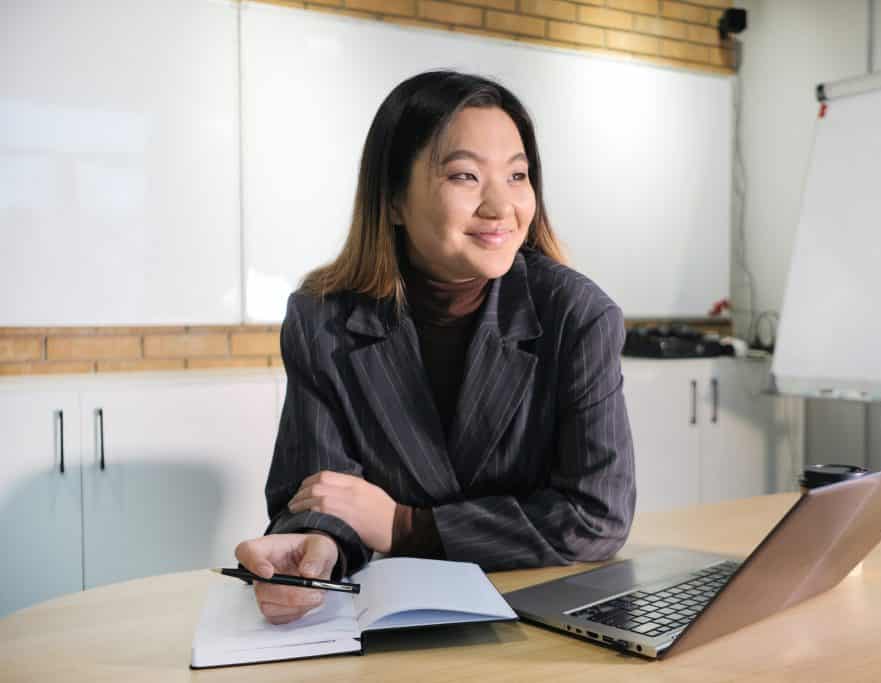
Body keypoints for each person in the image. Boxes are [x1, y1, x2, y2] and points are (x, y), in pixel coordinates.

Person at [235, 70, 635, 625]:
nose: (501, 206)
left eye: (517, 175)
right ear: (395, 199)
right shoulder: (322, 318)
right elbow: (321, 491)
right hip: (402, 625)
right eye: (466, 175)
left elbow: (597, 517)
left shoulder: (577, 316)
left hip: (541, 620)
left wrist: (405, 525)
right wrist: (317, 548)